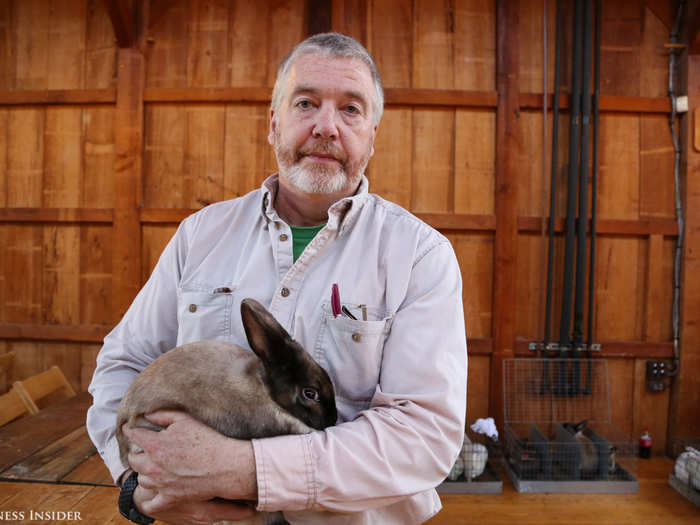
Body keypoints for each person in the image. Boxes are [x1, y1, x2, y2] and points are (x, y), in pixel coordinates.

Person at [87, 32, 467, 525]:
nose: (326, 127)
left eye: (350, 109)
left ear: (373, 134)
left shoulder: (420, 256)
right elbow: (123, 365)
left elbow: (423, 435)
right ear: (273, 123)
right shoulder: (200, 235)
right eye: (306, 103)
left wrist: (245, 470)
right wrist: (137, 480)